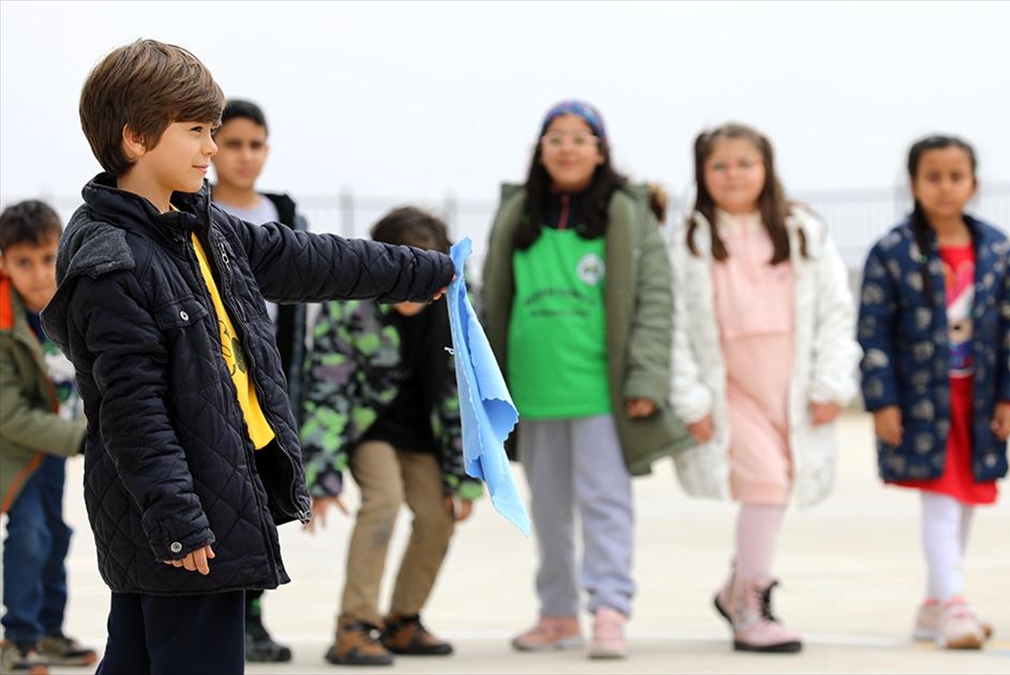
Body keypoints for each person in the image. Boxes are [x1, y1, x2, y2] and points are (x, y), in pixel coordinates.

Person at [39, 39, 453, 675]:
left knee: (136, 661)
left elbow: (313, 260)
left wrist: (421, 271)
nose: (212, 147)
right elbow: (132, 406)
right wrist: (177, 519)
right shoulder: (111, 260)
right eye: (198, 131)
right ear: (136, 139)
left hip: (209, 490)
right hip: (181, 511)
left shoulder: (204, 227)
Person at [480, 99, 691, 660]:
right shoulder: (517, 212)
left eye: (580, 138)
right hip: (532, 392)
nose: (567, 147)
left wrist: (645, 379)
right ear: (540, 150)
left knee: (605, 504)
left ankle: (609, 610)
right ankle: (556, 614)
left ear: (600, 151)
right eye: (556, 137)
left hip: (601, 393)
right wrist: (486, 386)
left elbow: (654, 300)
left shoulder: (626, 212)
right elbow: (493, 299)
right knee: (546, 510)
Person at [667, 123, 859, 653]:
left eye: (745, 163)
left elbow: (835, 311)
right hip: (730, 388)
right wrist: (691, 399)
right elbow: (676, 324)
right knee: (767, 484)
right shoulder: (690, 237)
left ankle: (734, 589)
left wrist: (831, 381)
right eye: (720, 165)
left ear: (767, 168)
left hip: (790, 386)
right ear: (703, 174)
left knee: (778, 484)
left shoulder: (801, 230)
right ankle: (752, 602)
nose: (733, 175)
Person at [857, 135, 1010, 650]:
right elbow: (873, 331)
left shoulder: (996, 252)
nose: (944, 187)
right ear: (913, 184)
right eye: (932, 176)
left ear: (973, 183)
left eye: (955, 176)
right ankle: (956, 603)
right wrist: (882, 399)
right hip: (920, 401)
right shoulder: (893, 253)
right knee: (940, 495)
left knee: (965, 499)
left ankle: (936, 603)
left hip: (977, 400)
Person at [300, 206, 481, 666]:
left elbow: (466, 395)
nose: (412, 287)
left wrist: (465, 476)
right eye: (401, 271)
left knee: (438, 517)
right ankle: (354, 625)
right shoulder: (348, 305)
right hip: (369, 427)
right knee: (383, 503)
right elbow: (327, 389)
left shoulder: (458, 309)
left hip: (426, 431)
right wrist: (320, 477)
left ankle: (403, 620)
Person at [209, 96, 305, 664]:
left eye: (255, 145)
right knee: (222, 504)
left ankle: (254, 618)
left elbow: (296, 304)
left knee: (264, 501)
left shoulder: (283, 213)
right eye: (233, 143)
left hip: (268, 386)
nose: (245, 156)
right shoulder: (189, 207)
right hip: (215, 382)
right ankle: (227, 617)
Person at [0, 200, 97, 674]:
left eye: (47, 257)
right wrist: (80, 438)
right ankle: (19, 636)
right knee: (31, 536)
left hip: (54, 450)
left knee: (55, 535)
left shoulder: (73, 303)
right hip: (16, 456)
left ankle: (49, 631)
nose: (40, 274)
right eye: (23, 262)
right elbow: (9, 412)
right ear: (3, 264)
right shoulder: (3, 325)